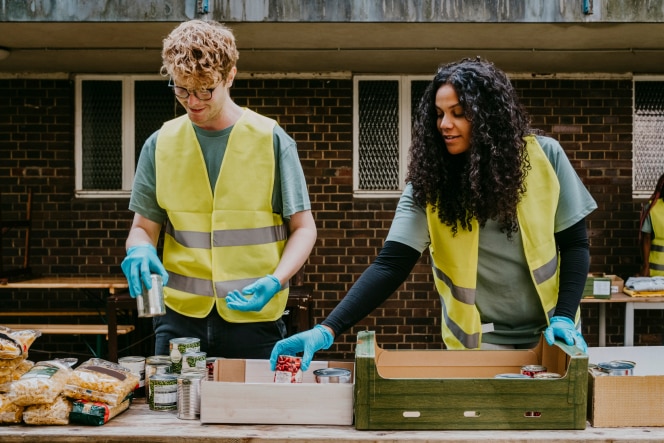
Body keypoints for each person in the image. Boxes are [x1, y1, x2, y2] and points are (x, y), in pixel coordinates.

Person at [271, 57, 597, 371]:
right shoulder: (429, 185)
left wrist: (565, 317)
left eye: (458, 113)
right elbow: (391, 265)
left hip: (553, 333)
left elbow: (575, 245)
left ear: (488, 116)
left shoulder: (544, 157)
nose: (445, 124)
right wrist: (327, 329)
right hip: (478, 345)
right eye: (439, 114)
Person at [121, 20, 317, 359]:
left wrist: (276, 280)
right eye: (181, 89)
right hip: (178, 319)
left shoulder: (271, 140)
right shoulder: (160, 144)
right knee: (169, 411)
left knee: (252, 413)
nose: (192, 101)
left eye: (204, 90)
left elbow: (303, 228)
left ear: (230, 76)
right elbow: (143, 228)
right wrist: (139, 249)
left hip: (255, 318)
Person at [639, 172, 664, 277]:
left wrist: (646, 266)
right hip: (656, 274)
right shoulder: (652, 208)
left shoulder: (652, 207)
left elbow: (646, 238)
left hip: (655, 273)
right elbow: (646, 238)